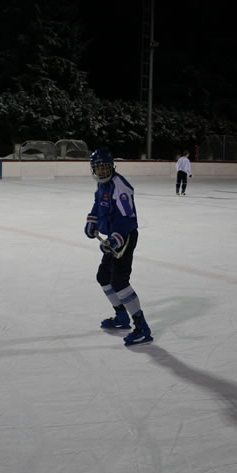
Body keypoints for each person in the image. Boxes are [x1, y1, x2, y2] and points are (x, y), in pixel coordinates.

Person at [84, 148, 153, 346]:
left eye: (105, 167)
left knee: (120, 282)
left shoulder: (120, 186)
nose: (102, 172)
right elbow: (98, 205)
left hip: (126, 236)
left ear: (112, 166)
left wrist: (115, 239)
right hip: (113, 236)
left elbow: (127, 218)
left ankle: (141, 327)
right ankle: (121, 316)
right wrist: (91, 222)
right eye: (98, 168)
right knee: (103, 277)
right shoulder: (101, 186)